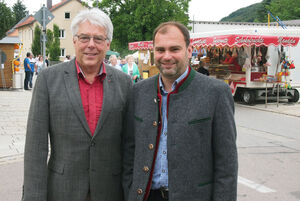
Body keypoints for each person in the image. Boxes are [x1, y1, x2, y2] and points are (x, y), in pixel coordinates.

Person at [22, 8, 132, 201]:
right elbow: (35, 147)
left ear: (108, 44)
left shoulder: (125, 83)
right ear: (74, 41)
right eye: (84, 38)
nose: (91, 45)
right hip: (62, 191)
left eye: (98, 39)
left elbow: (130, 144)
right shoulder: (49, 79)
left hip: (111, 192)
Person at [123, 21, 238, 201]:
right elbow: (129, 151)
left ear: (189, 50)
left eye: (174, 49)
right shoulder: (139, 91)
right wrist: (129, 189)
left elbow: (227, 164)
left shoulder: (216, 92)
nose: (166, 56)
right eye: (160, 50)